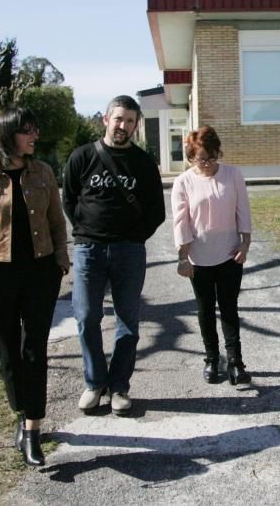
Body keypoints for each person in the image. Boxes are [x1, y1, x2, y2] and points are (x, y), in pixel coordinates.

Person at [0, 107, 70, 466]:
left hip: (40, 273)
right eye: (27, 131)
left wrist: (61, 261)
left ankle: (34, 430)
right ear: (8, 135)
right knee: (8, 354)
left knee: (35, 350)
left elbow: (57, 220)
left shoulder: (43, 172)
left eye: (35, 130)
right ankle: (21, 415)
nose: (34, 137)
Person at [62, 95, 165, 416]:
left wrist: (134, 239)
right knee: (86, 317)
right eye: (118, 119)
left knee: (128, 323)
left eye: (130, 121)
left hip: (128, 252)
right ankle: (95, 383)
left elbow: (156, 212)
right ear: (106, 120)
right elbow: (69, 201)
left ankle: (119, 386)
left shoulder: (143, 163)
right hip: (88, 250)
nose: (124, 126)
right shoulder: (81, 157)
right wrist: (87, 232)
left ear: (136, 126)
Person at [171, 126, 253, 385]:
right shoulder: (183, 182)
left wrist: (245, 243)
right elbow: (180, 221)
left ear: (218, 152)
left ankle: (236, 361)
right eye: (200, 159)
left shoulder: (233, 175)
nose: (206, 163)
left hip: (230, 253)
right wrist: (183, 256)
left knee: (229, 308)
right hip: (199, 258)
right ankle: (211, 358)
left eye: (211, 157)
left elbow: (244, 210)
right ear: (191, 157)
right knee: (205, 308)